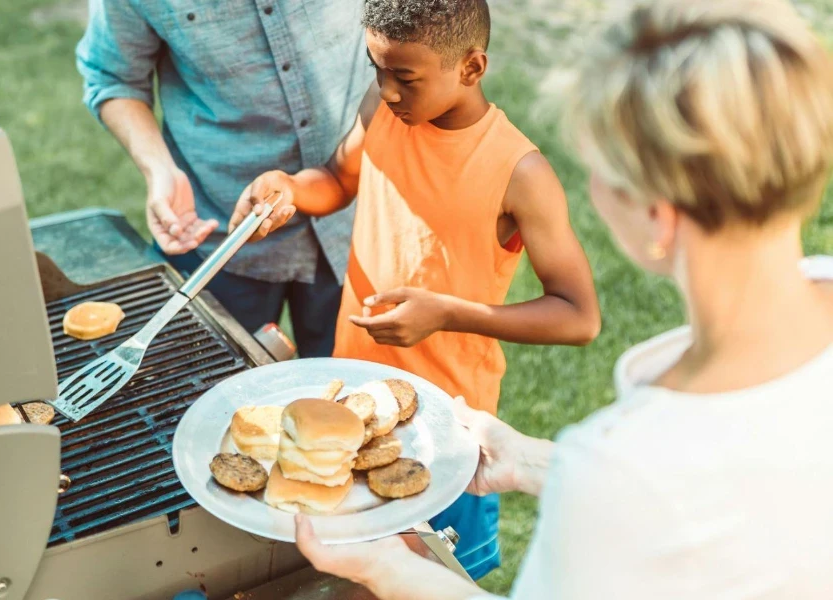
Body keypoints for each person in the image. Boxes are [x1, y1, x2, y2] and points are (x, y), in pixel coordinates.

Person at [290, 0, 833, 597]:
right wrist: (536, 463)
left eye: (598, 167)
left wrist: (384, 569)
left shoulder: (614, 469)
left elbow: (630, 481)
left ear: (656, 217)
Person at [231, 0, 601, 580]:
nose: (388, 90)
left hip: (451, 426)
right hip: (355, 396)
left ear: (472, 68)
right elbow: (335, 180)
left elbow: (578, 316)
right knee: (352, 575)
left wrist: (448, 314)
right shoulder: (381, 109)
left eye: (405, 77)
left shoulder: (519, 172)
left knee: (436, 577)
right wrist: (289, 189)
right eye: (377, 68)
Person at [76, 1, 373, 358]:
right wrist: (160, 170)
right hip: (218, 231)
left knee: (349, 397)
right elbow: (112, 76)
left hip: (360, 217)